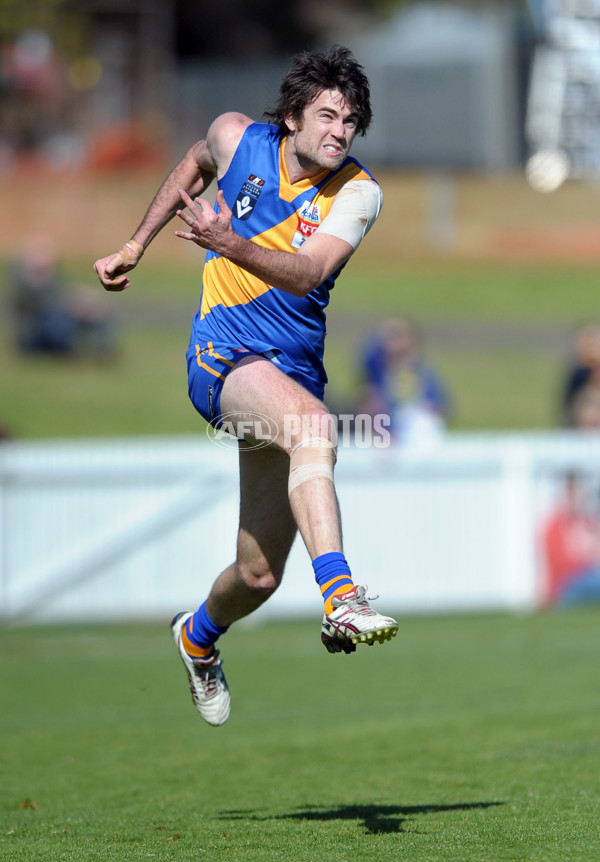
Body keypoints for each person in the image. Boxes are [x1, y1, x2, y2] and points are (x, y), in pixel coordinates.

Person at [93, 45, 398, 727]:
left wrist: (230, 244)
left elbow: (308, 273)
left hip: (287, 375)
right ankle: (343, 598)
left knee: (258, 576)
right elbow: (194, 163)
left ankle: (197, 635)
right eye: (327, 115)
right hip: (221, 359)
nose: (339, 131)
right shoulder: (236, 137)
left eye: (350, 121)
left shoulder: (357, 193)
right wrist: (137, 244)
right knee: (316, 428)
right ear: (292, 116)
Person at [356, 316, 450, 447]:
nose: (393, 345)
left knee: (422, 423)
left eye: (397, 337)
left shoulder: (422, 372)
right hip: (386, 435)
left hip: (417, 431)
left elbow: (440, 405)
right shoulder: (377, 371)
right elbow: (369, 407)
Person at [540, 470, 600, 606]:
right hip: (565, 589)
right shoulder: (555, 525)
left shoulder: (588, 523)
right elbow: (561, 565)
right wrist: (587, 557)